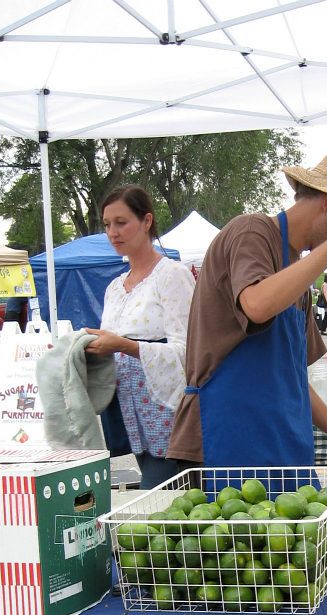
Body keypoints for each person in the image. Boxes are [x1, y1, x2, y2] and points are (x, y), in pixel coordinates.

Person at [168, 152, 327, 469]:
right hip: (228, 441)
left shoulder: (299, 273)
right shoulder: (251, 232)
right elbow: (256, 305)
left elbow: (293, 379)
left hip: (281, 448)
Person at [84, 185, 195, 489]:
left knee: (160, 503)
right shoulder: (115, 287)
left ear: (146, 221)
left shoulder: (172, 275)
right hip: (132, 416)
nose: (112, 232)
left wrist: (123, 345)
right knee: (158, 504)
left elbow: (190, 351)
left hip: (168, 412)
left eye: (121, 222)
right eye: (107, 225)